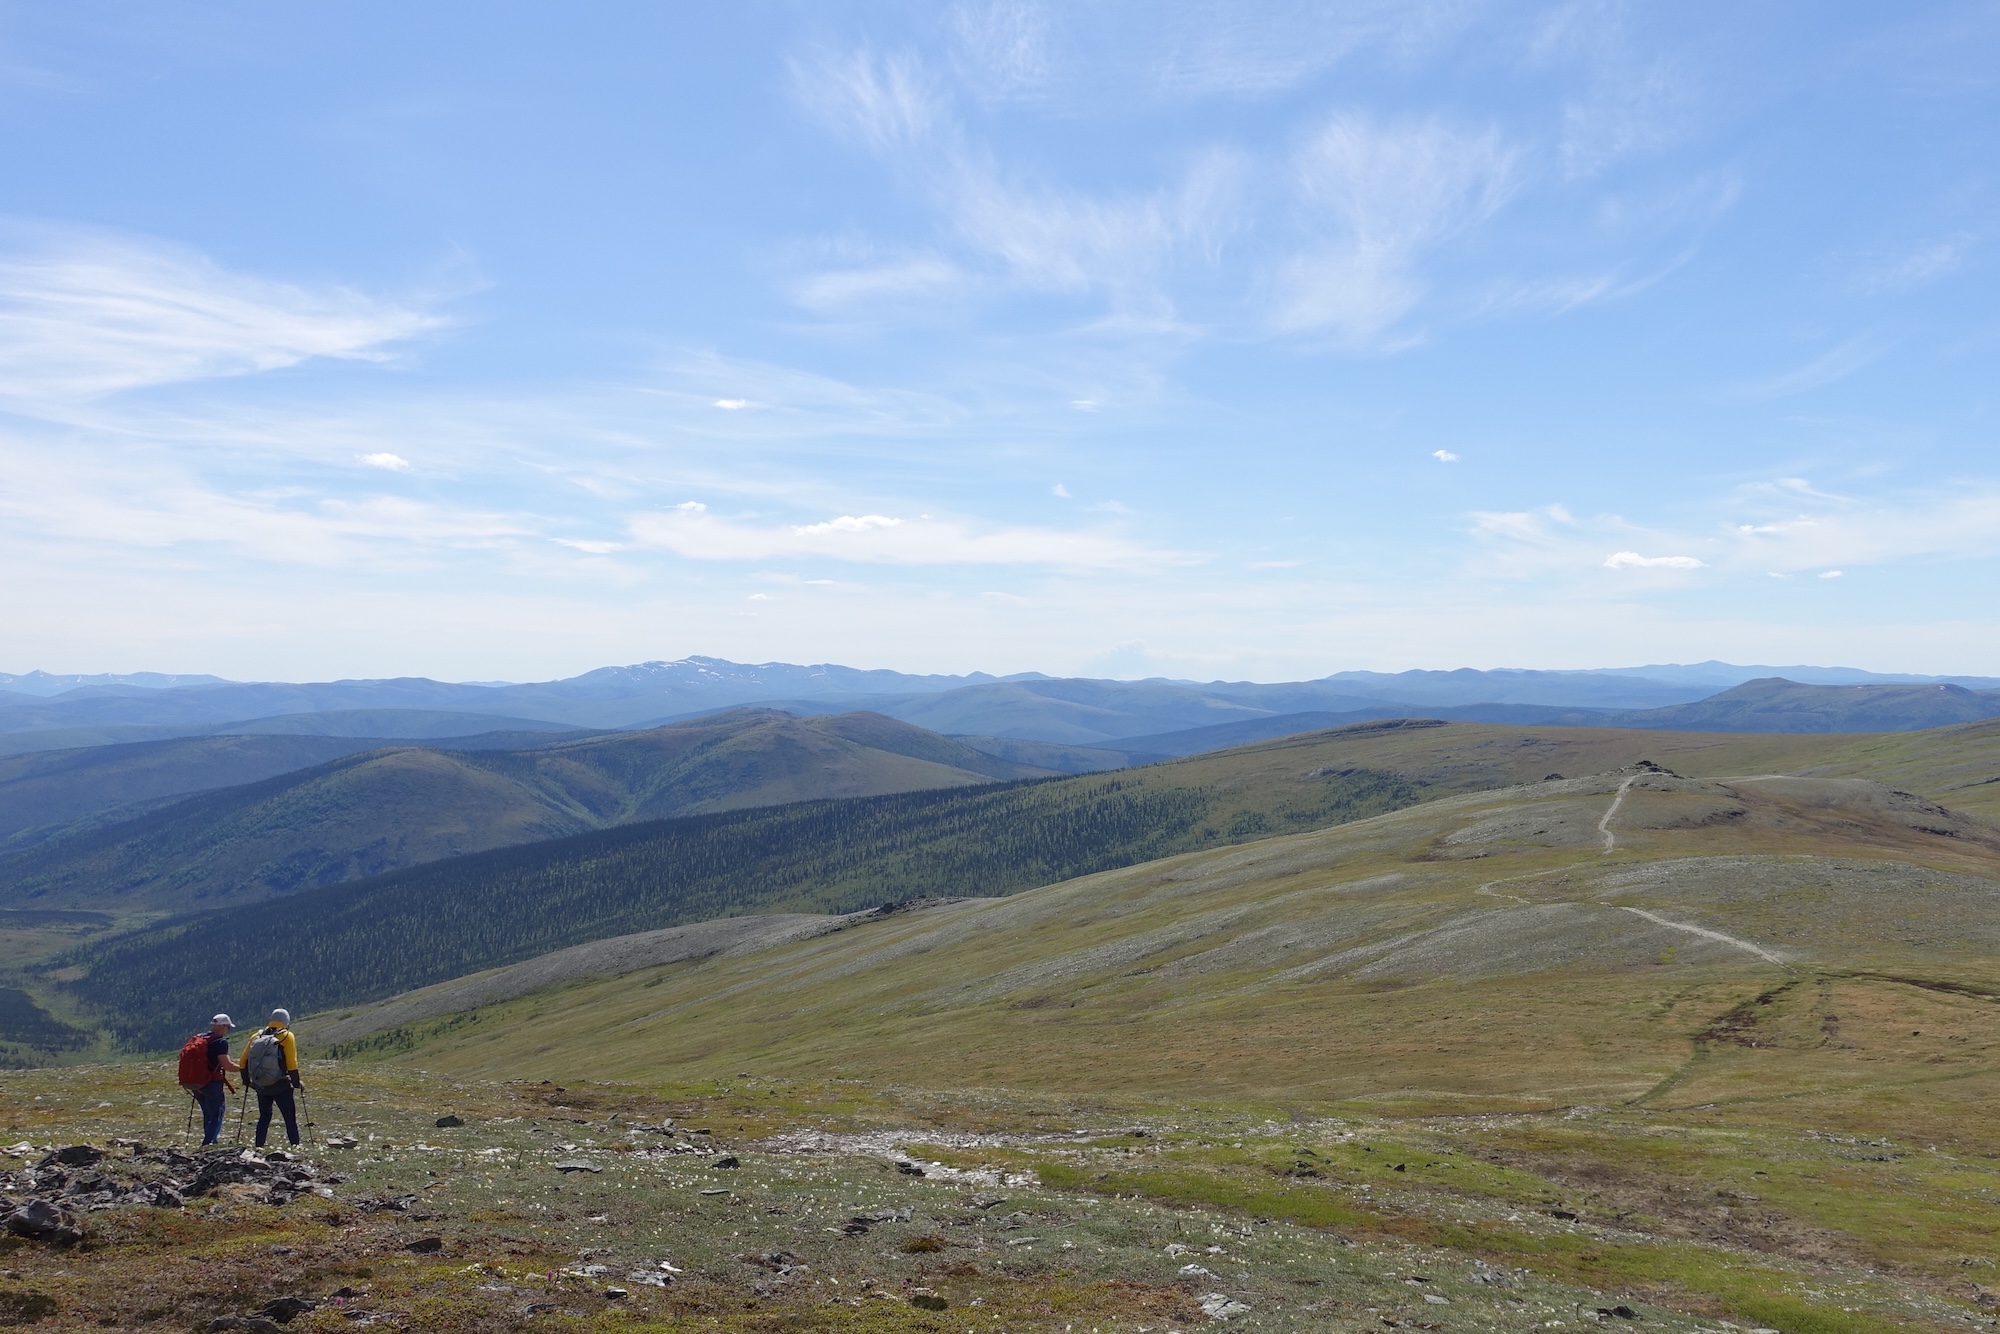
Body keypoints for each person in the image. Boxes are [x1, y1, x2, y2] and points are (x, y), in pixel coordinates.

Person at [244, 1008, 304, 1148]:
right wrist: (296, 1083)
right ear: (287, 1022)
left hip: (261, 1085)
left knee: (264, 1116)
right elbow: (292, 1063)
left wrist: (248, 1082)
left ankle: (259, 1145)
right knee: (289, 1117)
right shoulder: (286, 1036)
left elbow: (243, 1062)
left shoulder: (256, 1036)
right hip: (280, 1084)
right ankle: (295, 1145)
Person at [186, 1014, 240, 1145]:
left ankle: (211, 1140)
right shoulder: (220, 1043)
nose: (227, 1030)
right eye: (227, 1027)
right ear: (222, 1026)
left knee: (207, 1112)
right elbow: (227, 1065)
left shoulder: (201, 1038)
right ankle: (208, 1142)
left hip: (196, 1083)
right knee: (217, 1113)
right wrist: (243, 1068)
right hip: (212, 1083)